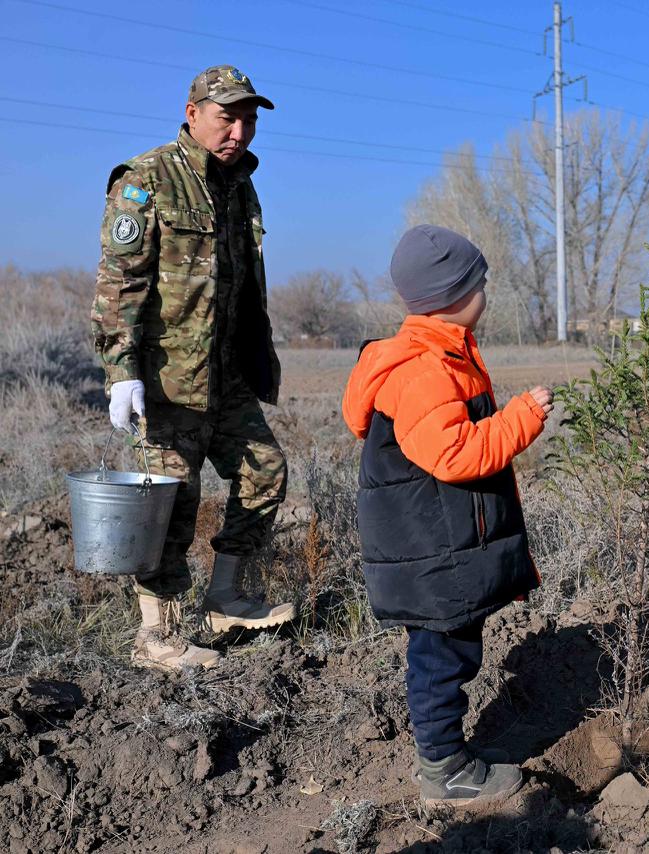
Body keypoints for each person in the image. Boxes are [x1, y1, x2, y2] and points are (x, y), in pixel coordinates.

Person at [342, 225, 554, 806]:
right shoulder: (424, 371)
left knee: (446, 653)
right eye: (479, 283)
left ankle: (445, 757)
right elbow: (455, 455)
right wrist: (522, 418)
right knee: (441, 659)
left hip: (437, 545)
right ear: (454, 297)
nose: (486, 292)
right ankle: (444, 771)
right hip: (434, 554)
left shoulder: (443, 353)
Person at [91, 65, 294, 671]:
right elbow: (119, 284)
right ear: (192, 113)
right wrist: (122, 370)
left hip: (226, 375)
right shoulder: (145, 180)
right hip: (167, 381)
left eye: (249, 120)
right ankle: (156, 637)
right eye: (227, 117)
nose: (239, 131)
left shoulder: (240, 187)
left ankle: (225, 597)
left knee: (264, 470)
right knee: (170, 503)